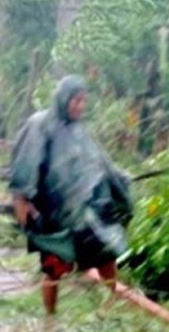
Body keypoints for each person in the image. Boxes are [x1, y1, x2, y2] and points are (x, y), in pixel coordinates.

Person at [10, 75, 133, 315]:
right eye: (76, 100)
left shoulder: (79, 131)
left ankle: (110, 304)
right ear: (64, 98)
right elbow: (26, 162)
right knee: (53, 267)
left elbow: (99, 161)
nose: (81, 106)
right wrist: (21, 199)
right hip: (54, 212)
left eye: (84, 101)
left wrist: (118, 177)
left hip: (87, 210)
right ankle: (51, 318)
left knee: (105, 254)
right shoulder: (40, 124)